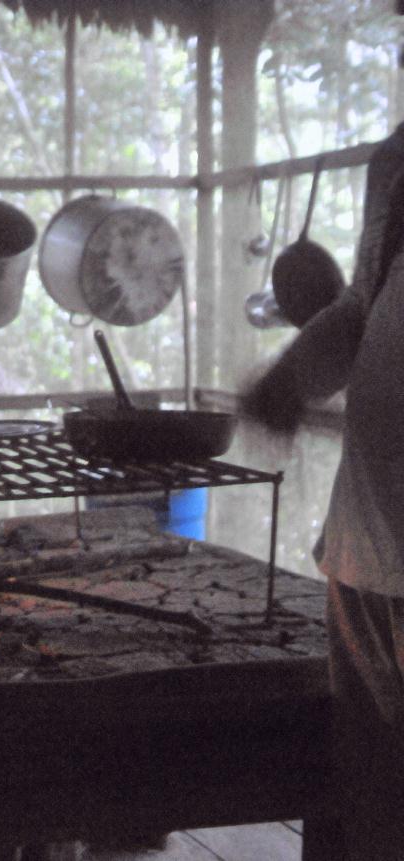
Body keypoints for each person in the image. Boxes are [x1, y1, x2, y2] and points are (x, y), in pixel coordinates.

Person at [240, 121, 404, 860]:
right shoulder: (399, 157)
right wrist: (288, 378)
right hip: (368, 549)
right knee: (367, 810)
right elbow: (365, 309)